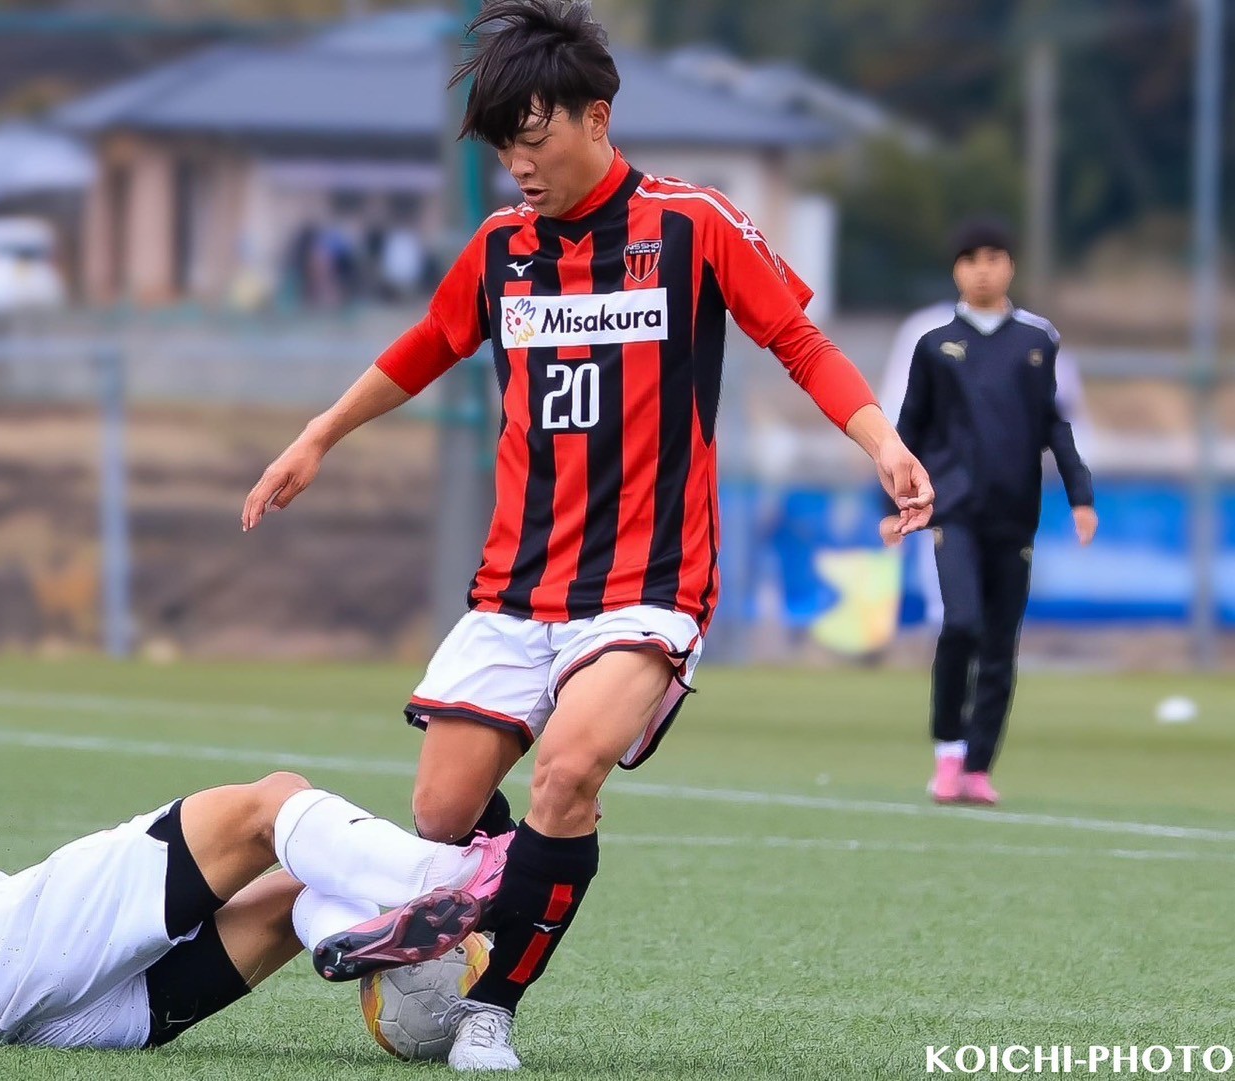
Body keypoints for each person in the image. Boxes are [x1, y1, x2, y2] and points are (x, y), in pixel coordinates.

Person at [242, 1, 933, 1070]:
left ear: (596, 118)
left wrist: (881, 440)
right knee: (439, 810)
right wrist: (319, 433)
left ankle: (491, 1005)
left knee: (567, 773)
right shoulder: (501, 248)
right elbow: (427, 343)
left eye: (532, 137)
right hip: (518, 584)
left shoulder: (692, 224)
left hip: (650, 581)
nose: (517, 165)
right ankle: (485, 903)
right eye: (501, 146)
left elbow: (798, 340)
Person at [0, 679, 507, 1049]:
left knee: (300, 884)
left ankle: (344, 937)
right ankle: (449, 875)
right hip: (2, 944)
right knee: (272, 801)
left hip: (46, 1024)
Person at [886, 219, 1097, 807]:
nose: (983, 269)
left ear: (1010, 266)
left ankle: (979, 767)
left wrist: (1080, 494)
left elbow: (1055, 424)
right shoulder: (934, 344)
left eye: (994, 258)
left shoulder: (1038, 340)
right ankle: (948, 751)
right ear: (957, 269)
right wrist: (895, 503)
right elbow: (909, 427)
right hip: (953, 511)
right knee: (961, 624)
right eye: (971, 259)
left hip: (1015, 512)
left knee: (1001, 641)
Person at [878, 297, 1095, 627]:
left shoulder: (1035, 332)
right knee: (952, 598)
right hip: (947, 483)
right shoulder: (927, 330)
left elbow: (1064, 415)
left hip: (1010, 485)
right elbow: (901, 419)